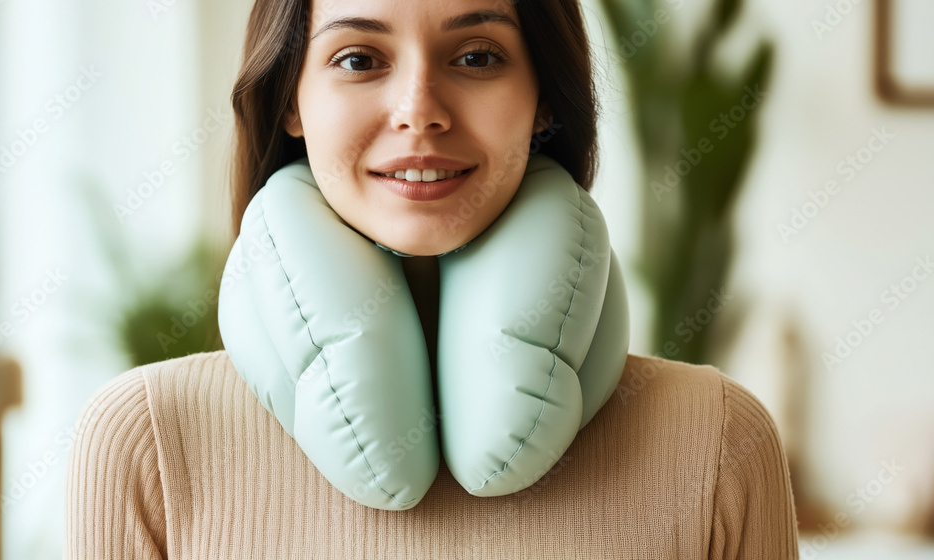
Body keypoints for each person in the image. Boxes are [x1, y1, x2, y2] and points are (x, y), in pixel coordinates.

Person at [64, 0, 800, 558]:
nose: (419, 111)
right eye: (358, 59)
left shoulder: (720, 440)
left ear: (544, 97)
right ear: (289, 99)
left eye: (477, 56)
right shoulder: (148, 442)